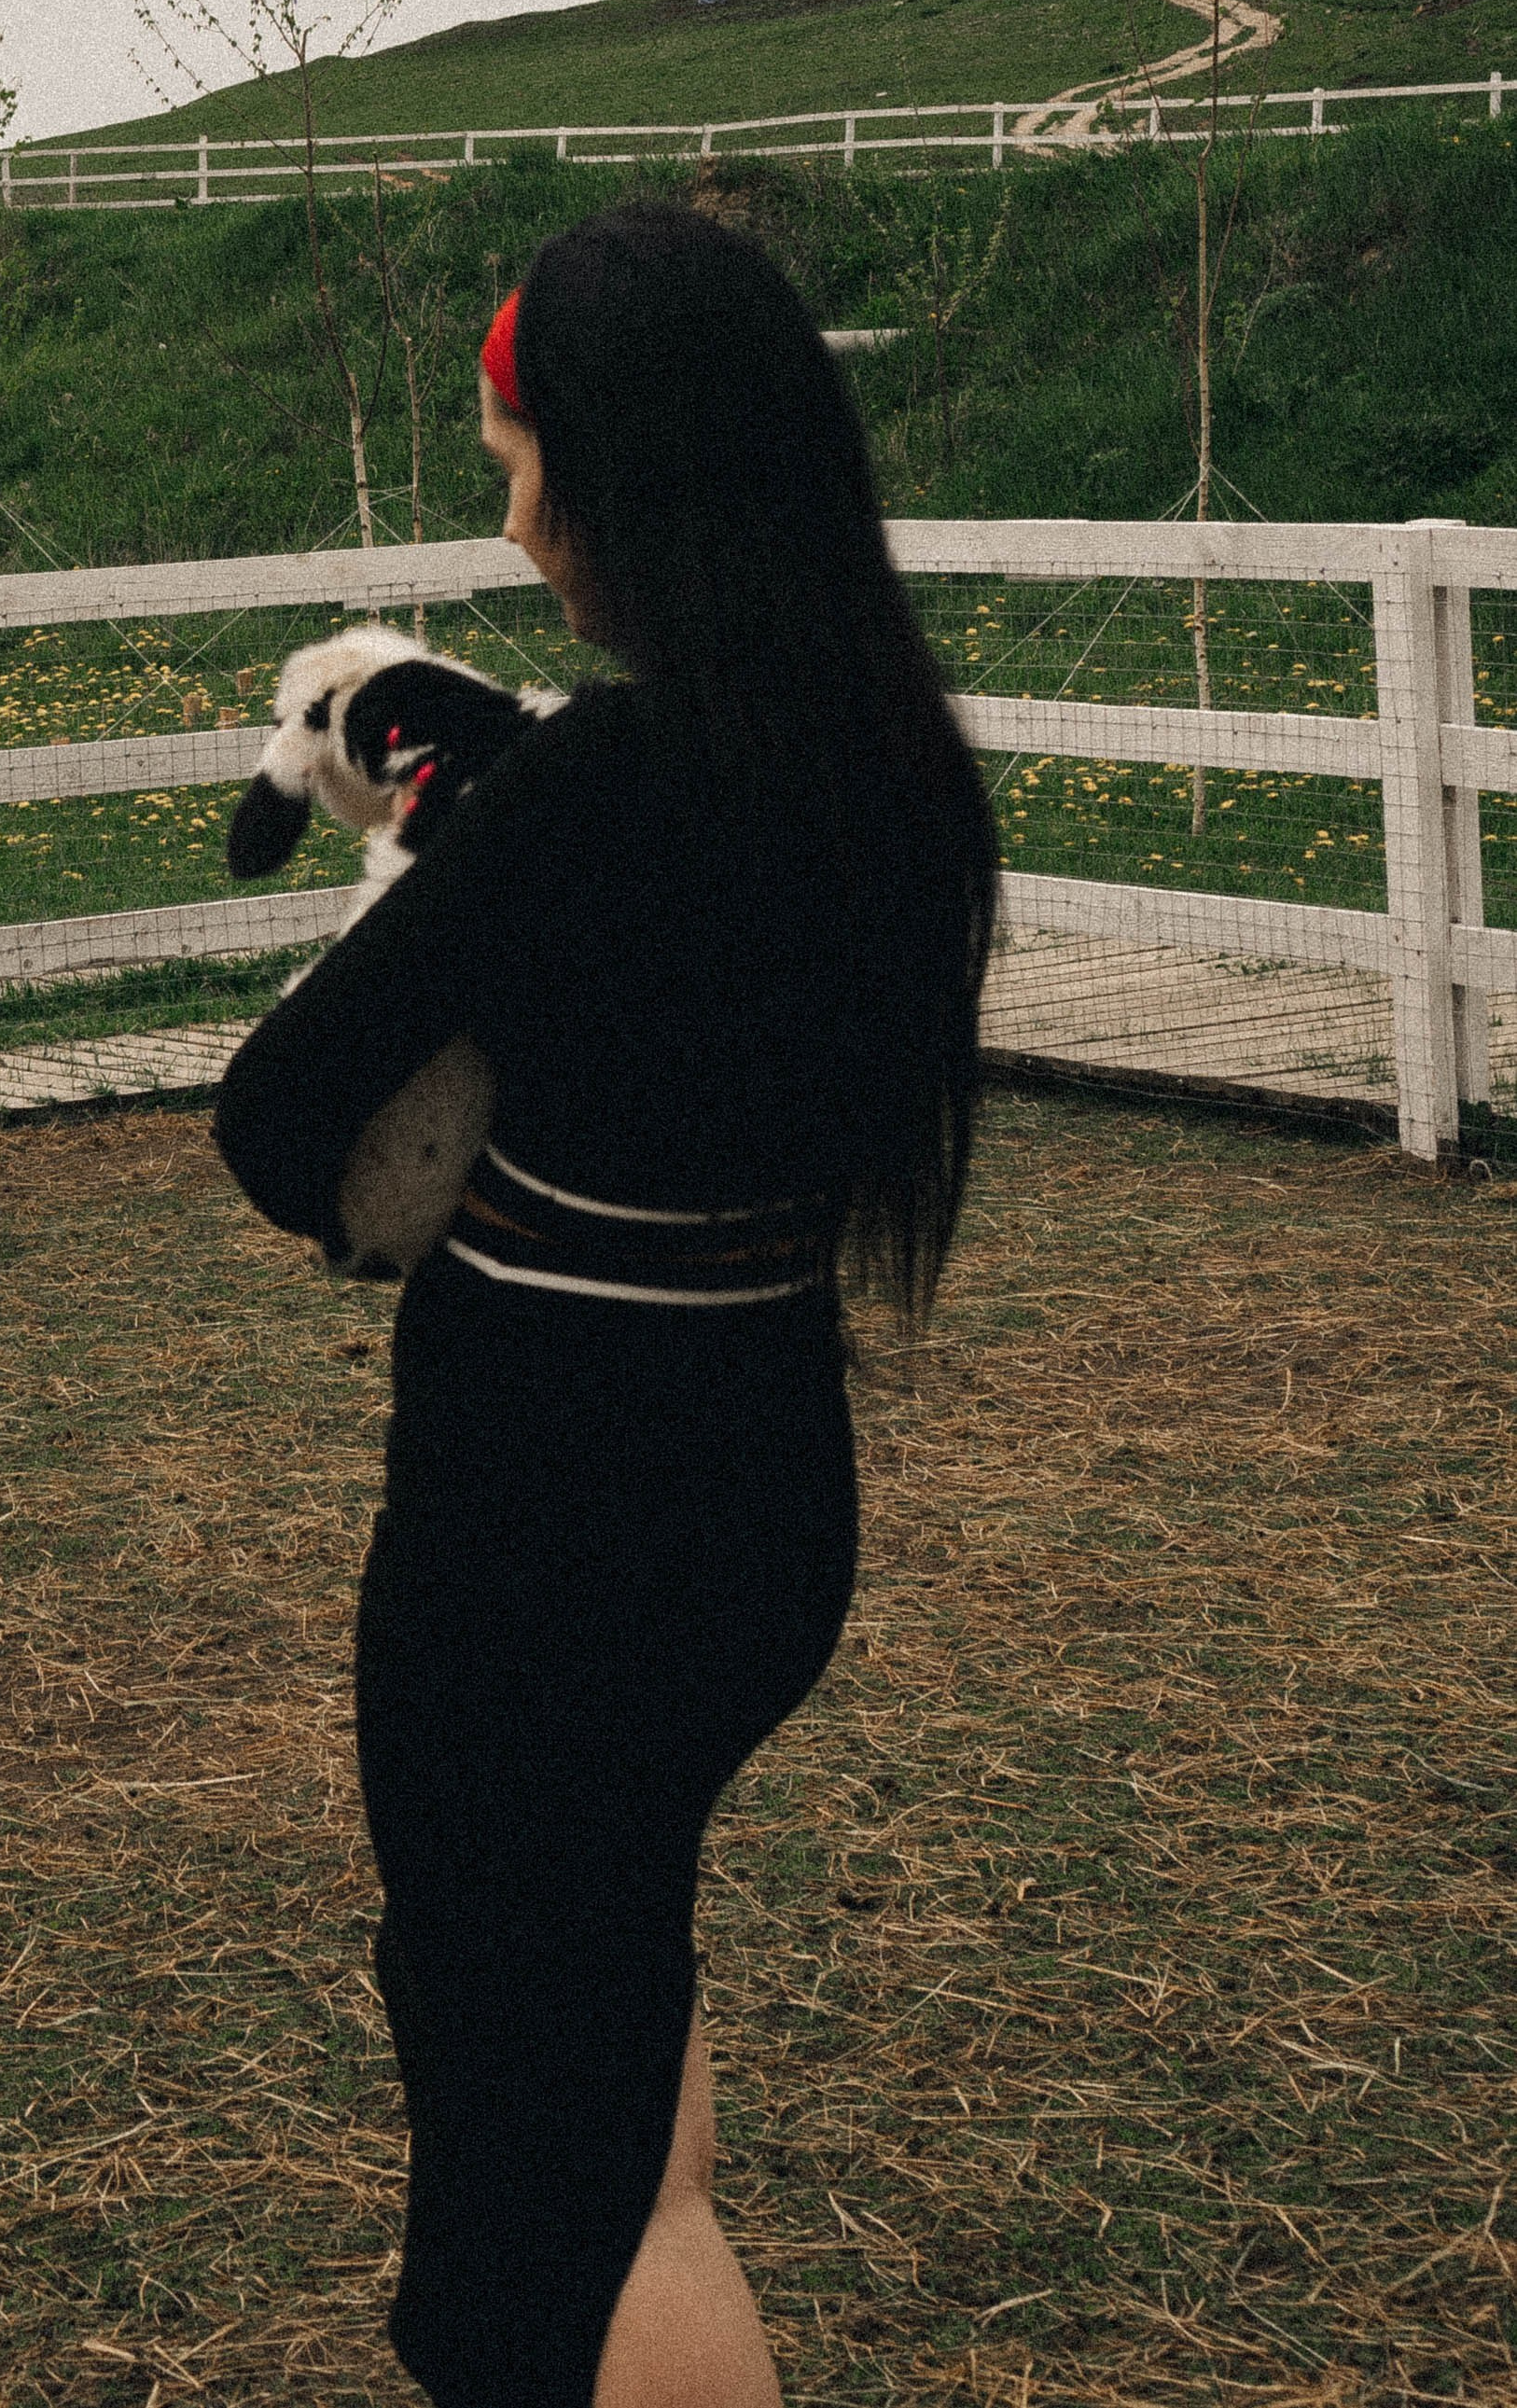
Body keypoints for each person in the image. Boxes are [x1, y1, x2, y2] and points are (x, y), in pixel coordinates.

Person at [214, 203, 995, 2408]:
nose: (511, 512)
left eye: (512, 457)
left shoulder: (589, 793)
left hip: (542, 1532)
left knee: (515, 2227)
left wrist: (450, 858)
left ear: (603, 472)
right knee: (609, 2033)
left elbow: (283, 1126)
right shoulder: (902, 779)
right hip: (760, 1493)